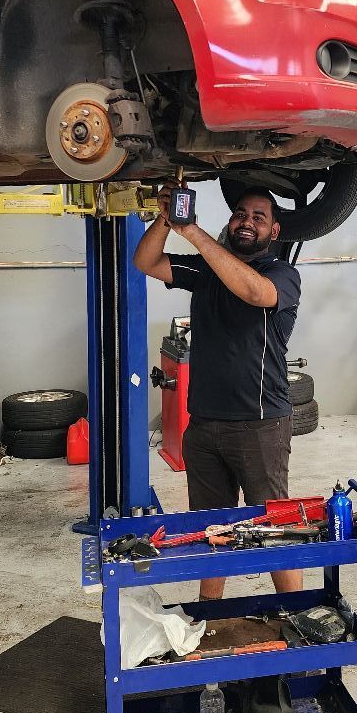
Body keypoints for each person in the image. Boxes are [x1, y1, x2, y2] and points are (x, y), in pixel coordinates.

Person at [133, 181, 303, 599]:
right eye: (241, 215)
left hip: (259, 424)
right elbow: (146, 261)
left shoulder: (281, 275)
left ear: (274, 232)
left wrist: (191, 231)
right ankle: (209, 613)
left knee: (272, 526)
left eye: (258, 218)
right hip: (204, 424)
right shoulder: (206, 270)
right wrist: (166, 217)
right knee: (211, 527)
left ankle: (298, 610)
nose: (247, 223)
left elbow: (252, 291)